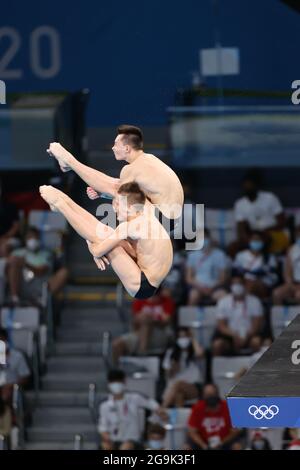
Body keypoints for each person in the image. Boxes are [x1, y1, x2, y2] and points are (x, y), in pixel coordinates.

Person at [39, 182, 173, 299]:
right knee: (105, 234)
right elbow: (130, 250)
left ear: (131, 208)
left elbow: (97, 250)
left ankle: (61, 204)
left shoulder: (131, 226)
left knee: (103, 235)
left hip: (142, 283)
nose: (114, 208)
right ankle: (65, 200)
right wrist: (96, 245)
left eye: (117, 204)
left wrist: (93, 246)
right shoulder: (145, 215)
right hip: (146, 273)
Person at [47, 125, 184, 230]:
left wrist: (74, 165)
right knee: (118, 188)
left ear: (127, 148)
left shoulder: (130, 169)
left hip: (164, 219)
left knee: (115, 191)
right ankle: (71, 164)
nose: (112, 148)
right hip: (173, 219)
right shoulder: (148, 159)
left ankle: (69, 160)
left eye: (116, 144)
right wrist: (103, 194)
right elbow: (123, 189)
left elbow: (116, 190)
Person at [98, 369, 166, 450]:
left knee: (126, 447)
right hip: (115, 441)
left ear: (124, 382)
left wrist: (161, 412)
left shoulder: (134, 398)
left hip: (134, 442)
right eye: (113, 382)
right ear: (109, 384)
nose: (116, 385)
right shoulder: (105, 406)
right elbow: (103, 428)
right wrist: (108, 439)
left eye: (118, 381)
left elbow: (152, 404)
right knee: (105, 446)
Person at [230, 171, 287, 256]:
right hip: (254, 235)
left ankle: (267, 264)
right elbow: (241, 228)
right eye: (246, 185)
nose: (248, 188)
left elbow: (282, 222)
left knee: (265, 241)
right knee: (232, 247)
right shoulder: (240, 204)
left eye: (250, 185)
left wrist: (266, 231)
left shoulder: (270, 197)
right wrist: (247, 239)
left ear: (256, 186)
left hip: (272, 232)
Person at [112, 287, 175, 363]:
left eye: (156, 295)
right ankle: (117, 371)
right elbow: (135, 324)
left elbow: (166, 321)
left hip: (160, 333)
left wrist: (151, 320)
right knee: (117, 344)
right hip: (139, 334)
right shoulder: (139, 301)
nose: (153, 298)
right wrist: (145, 319)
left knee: (146, 321)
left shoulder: (166, 301)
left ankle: (142, 353)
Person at [212, 276, 264, 356]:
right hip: (230, 336)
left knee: (256, 342)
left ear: (244, 285)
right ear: (230, 286)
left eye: (239, 283)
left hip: (249, 334)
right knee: (217, 345)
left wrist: (246, 336)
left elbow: (256, 326)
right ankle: (217, 367)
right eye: (234, 284)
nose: (237, 286)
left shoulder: (255, 301)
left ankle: (257, 366)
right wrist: (234, 335)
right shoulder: (223, 302)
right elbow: (222, 326)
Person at [187, 383, 241, 450]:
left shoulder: (228, 407)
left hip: (224, 442)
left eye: (212, 394)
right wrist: (204, 446)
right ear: (203, 396)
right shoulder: (197, 408)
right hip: (203, 443)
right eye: (208, 395)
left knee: (236, 446)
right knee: (187, 447)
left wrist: (221, 442)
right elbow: (192, 431)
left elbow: (235, 431)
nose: (210, 397)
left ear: (217, 394)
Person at [6, 227, 53, 305]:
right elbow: (7, 266)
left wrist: (26, 264)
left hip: (38, 284)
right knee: (13, 262)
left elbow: (41, 271)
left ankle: (40, 299)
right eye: (30, 237)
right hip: (20, 283)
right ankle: (14, 298)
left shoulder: (46, 254)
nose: (33, 239)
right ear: (25, 239)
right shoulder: (17, 252)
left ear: (39, 239)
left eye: (35, 237)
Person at [162, 328, 204, 408]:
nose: (183, 340)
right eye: (180, 337)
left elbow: (199, 354)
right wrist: (173, 369)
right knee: (179, 394)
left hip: (193, 387)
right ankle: (180, 419)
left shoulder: (193, 352)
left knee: (179, 384)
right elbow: (167, 375)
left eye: (185, 337)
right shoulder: (170, 353)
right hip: (174, 389)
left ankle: (161, 409)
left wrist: (193, 338)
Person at [185, 228, 229, 305]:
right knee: (193, 296)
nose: (203, 240)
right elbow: (189, 278)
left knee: (224, 296)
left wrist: (211, 288)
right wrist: (201, 288)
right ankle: (190, 316)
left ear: (209, 238)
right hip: (197, 287)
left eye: (205, 237)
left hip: (215, 288)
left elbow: (223, 278)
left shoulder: (220, 255)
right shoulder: (192, 255)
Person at [233, 231, 279, 298]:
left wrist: (252, 274)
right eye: (254, 239)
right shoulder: (241, 255)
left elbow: (269, 272)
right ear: (249, 240)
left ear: (263, 242)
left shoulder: (269, 257)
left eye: (258, 240)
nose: (256, 242)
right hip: (245, 280)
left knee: (253, 284)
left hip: (263, 282)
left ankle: (247, 301)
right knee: (237, 282)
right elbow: (235, 271)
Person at [0, 328, 31, 403]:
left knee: (7, 393)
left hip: (12, 389)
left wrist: (11, 386)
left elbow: (25, 378)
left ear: (6, 340)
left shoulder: (17, 356)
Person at [273, 225, 300, 304]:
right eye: (298, 235)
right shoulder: (292, 249)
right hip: (295, 283)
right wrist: (291, 284)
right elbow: (287, 271)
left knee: (299, 295)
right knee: (277, 293)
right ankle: (280, 316)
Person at [0, 179, 20, 258]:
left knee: (4, 248)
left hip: (11, 238)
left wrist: (5, 237)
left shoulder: (10, 206)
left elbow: (16, 226)